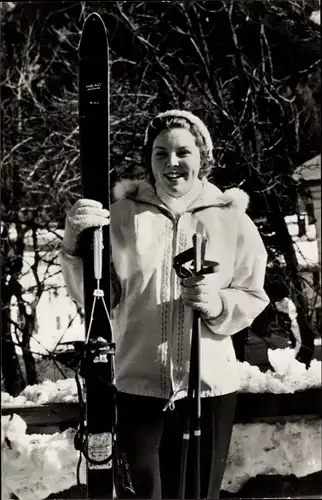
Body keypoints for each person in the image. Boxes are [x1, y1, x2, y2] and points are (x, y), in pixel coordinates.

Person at [59, 109, 269, 499]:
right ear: (148, 158)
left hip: (208, 389)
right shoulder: (121, 217)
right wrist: (74, 247)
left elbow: (254, 294)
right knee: (144, 494)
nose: (171, 163)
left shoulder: (231, 219)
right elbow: (94, 298)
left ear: (202, 157)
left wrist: (219, 303)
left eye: (182, 152)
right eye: (160, 153)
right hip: (138, 386)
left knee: (197, 493)